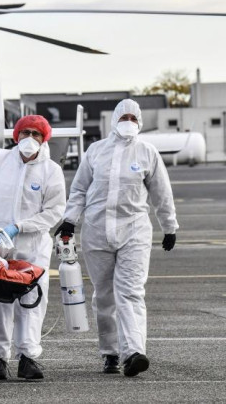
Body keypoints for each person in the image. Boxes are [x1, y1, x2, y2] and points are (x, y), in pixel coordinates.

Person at [55, 99, 178, 377]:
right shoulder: (96, 152)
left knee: (131, 291)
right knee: (105, 295)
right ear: (114, 120)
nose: (129, 122)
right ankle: (110, 352)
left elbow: (162, 193)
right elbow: (80, 190)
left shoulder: (147, 153)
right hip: (96, 232)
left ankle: (134, 351)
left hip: (134, 231)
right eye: (125, 117)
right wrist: (69, 221)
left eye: (134, 118)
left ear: (140, 122)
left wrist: (169, 226)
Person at [0, 114, 66, 380]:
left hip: (32, 246)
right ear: (16, 136)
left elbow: (54, 211)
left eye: (37, 134)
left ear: (44, 138)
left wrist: (21, 226)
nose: (30, 139)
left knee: (31, 301)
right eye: (25, 133)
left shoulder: (51, 171)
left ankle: (27, 357)